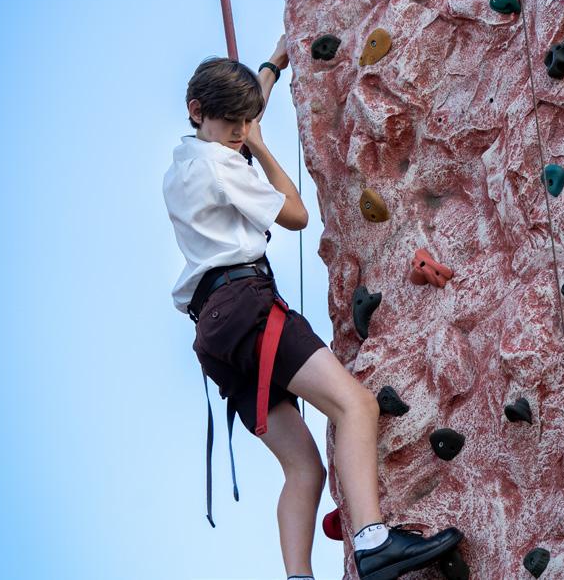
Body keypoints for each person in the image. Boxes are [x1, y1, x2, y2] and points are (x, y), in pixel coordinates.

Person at [162, 34, 463, 580]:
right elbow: (296, 215)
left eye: (245, 123)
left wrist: (272, 66)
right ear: (198, 111)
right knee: (356, 406)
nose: (240, 133)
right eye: (233, 125)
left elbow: (239, 117)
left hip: (214, 334)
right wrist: (261, 148)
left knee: (304, 469)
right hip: (247, 305)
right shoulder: (223, 166)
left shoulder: (184, 162)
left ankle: (298, 577)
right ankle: (373, 541)